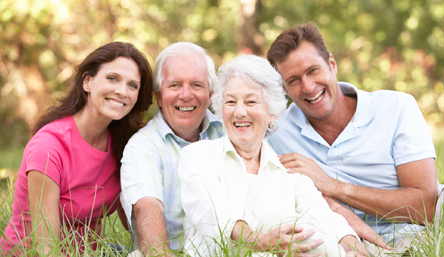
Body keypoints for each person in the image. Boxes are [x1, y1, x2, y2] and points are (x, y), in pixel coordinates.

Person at [266, 22, 439, 254]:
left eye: (313, 70)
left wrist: (333, 186)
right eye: (293, 80)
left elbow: (426, 206)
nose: (307, 87)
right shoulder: (275, 132)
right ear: (285, 89)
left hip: (422, 232)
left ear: (332, 64)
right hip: (345, 243)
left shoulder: (396, 107)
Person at [179, 55, 369, 257]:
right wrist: (259, 242)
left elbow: (327, 220)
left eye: (251, 101)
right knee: (276, 218)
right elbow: (212, 214)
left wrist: (355, 250)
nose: (240, 112)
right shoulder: (198, 156)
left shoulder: (289, 174)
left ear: (272, 114)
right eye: (231, 102)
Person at [0, 42, 153, 255]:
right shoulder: (49, 146)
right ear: (88, 82)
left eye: (132, 85)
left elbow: (136, 226)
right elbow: (47, 248)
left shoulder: (124, 145)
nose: (122, 91)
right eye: (112, 78)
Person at [120, 42, 224, 256]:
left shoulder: (228, 133)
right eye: (175, 85)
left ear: (210, 94)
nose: (186, 95)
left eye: (197, 85)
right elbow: (147, 208)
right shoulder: (143, 146)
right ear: (158, 96)